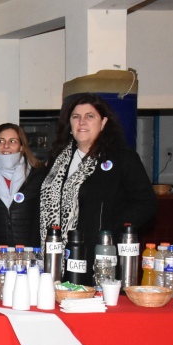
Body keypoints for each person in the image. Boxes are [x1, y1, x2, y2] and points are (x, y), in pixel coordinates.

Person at [38, 93, 156, 285]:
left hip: (101, 256)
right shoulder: (57, 160)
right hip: (59, 256)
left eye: (90, 116)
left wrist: (111, 227)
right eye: (76, 117)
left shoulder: (121, 158)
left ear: (103, 123)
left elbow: (146, 204)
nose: (82, 122)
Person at [0, 123, 47, 248]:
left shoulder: (38, 175)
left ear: (22, 147)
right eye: (1, 141)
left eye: (13, 141)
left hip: (29, 252)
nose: (6, 146)